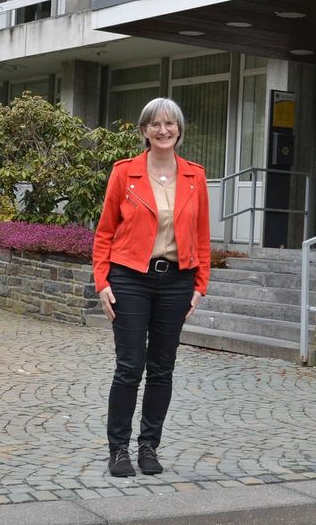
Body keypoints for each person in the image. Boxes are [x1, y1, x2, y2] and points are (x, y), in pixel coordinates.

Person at [93, 97, 210, 477]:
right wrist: (101, 282)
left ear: (179, 130)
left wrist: (199, 285)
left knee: (162, 368)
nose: (163, 130)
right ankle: (118, 450)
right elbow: (105, 232)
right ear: (144, 131)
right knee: (130, 366)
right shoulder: (124, 173)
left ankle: (148, 446)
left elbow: (203, 236)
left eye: (170, 124)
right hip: (129, 278)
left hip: (176, 280)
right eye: (155, 124)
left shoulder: (195, 176)